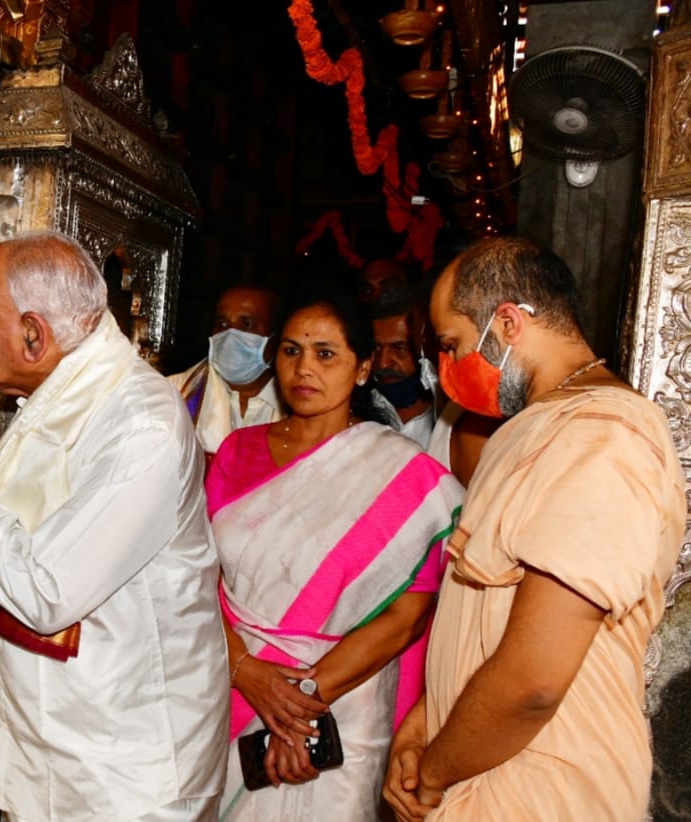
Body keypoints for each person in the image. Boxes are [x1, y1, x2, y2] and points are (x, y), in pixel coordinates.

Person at [0, 230, 229, 820]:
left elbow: (45, 591)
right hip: (66, 748)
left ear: (33, 335)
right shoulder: (66, 398)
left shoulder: (141, 424)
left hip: (126, 772)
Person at [384, 236, 685, 821]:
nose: (446, 372)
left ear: (506, 324)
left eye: (453, 345)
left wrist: (434, 772)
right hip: (477, 767)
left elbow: (534, 681)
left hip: (544, 787)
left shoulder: (603, 432)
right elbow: (483, 620)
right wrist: (423, 725)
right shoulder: (531, 429)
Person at [209, 285, 464, 820]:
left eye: (326, 354)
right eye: (292, 350)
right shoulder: (236, 452)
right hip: (229, 683)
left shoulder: (400, 473)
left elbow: (407, 614)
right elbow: (198, 580)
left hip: (342, 701)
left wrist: (299, 705)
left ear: (363, 367)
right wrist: (246, 671)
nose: (305, 368)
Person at [168, 284, 284, 457]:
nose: (230, 334)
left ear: (276, 338)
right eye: (222, 324)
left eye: (246, 325)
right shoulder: (173, 392)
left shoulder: (302, 404)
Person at [368, 285, 438, 448]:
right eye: (377, 348)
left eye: (399, 349)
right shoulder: (356, 412)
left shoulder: (448, 417)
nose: (383, 362)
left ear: (422, 345)